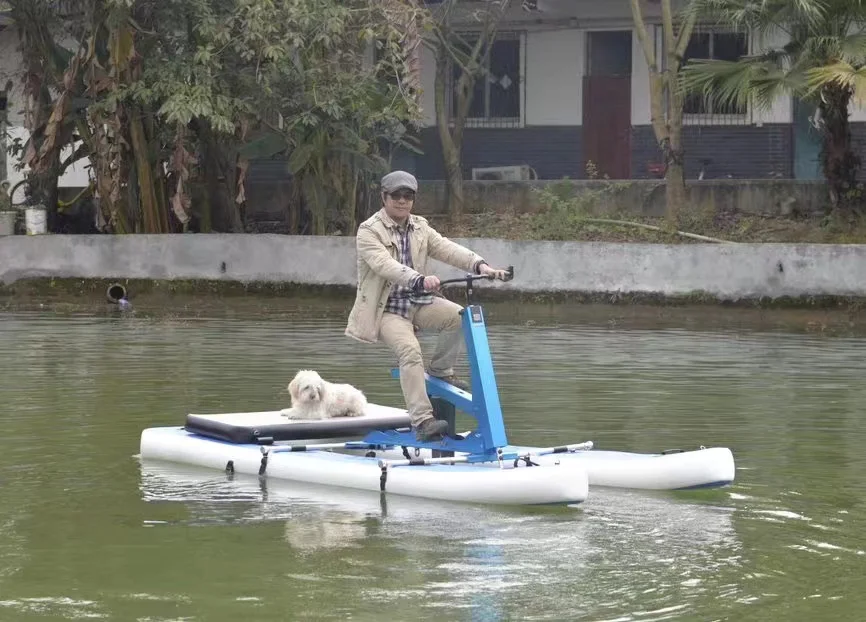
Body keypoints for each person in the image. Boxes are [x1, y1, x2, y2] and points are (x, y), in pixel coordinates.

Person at [345, 170, 510, 442]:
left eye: (407, 196)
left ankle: (441, 371)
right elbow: (384, 265)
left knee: (460, 316)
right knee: (410, 351)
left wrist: (480, 265)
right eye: (396, 196)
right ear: (384, 197)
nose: (402, 201)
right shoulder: (368, 231)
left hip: (418, 302)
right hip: (386, 310)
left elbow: (446, 248)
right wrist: (417, 278)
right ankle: (423, 421)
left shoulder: (420, 226)